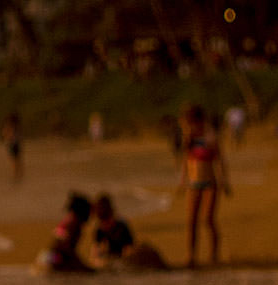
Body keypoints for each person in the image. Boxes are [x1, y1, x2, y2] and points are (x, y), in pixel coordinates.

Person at [177, 103, 229, 268]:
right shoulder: (189, 138)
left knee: (208, 219)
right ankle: (191, 255)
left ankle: (214, 254)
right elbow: (185, 159)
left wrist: (224, 181)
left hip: (210, 183)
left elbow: (220, 160)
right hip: (193, 183)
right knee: (191, 221)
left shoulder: (210, 137)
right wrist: (182, 180)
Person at [89, 194, 167, 270]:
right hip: (117, 258)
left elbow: (129, 245)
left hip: (125, 256)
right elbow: (97, 251)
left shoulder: (120, 225)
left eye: (101, 209)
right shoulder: (100, 230)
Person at [36, 193, 95, 274]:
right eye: (89, 211)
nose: (90, 216)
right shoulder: (74, 224)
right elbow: (66, 248)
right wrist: (83, 266)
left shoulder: (68, 220)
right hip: (55, 259)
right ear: (82, 211)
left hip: (46, 256)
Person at [2, 112, 23, 182]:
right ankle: (19, 174)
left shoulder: (9, 125)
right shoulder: (17, 125)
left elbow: (5, 134)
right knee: (18, 159)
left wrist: (6, 139)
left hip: (11, 143)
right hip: (17, 143)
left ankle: (15, 175)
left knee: (14, 160)